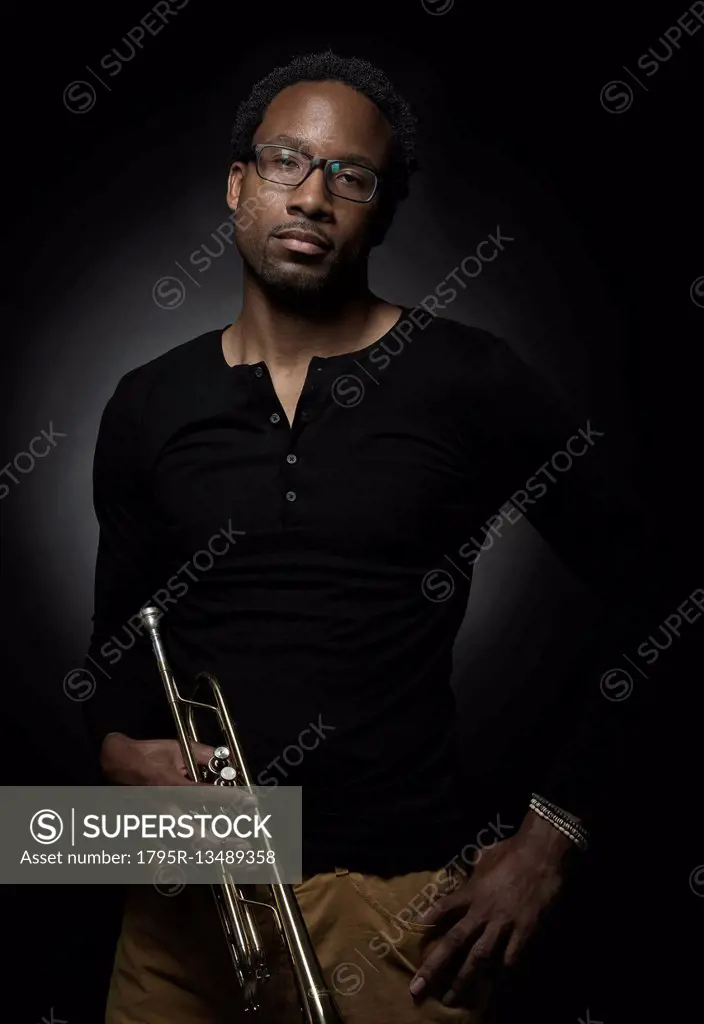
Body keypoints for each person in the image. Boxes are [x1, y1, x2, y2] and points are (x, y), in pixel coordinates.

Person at [83, 50, 665, 1024]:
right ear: (237, 184)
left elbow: (655, 589)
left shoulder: (471, 381)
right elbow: (107, 655)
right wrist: (115, 753)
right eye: (284, 162)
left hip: (395, 916)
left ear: (383, 208)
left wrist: (548, 838)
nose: (311, 196)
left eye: (349, 176)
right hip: (178, 912)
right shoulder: (146, 404)